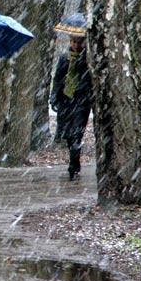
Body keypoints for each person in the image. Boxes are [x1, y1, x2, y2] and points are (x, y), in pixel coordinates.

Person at [51, 31, 93, 180]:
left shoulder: (88, 59)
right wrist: (54, 96)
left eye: (78, 42)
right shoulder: (64, 58)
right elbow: (57, 78)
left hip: (81, 101)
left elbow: (89, 80)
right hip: (66, 101)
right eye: (73, 42)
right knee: (68, 134)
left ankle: (73, 163)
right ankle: (74, 158)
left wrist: (81, 62)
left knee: (77, 133)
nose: (75, 45)